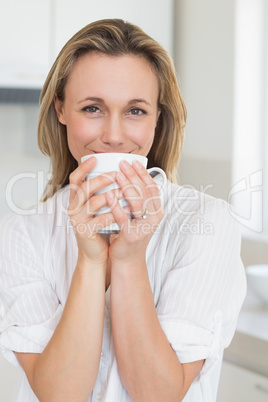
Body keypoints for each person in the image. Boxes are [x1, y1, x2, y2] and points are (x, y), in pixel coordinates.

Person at [0, 19, 246, 402]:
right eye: (93, 107)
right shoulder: (22, 232)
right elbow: (59, 395)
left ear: (158, 118)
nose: (114, 135)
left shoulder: (206, 223)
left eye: (135, 111)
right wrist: (91, 261)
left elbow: (159, 394)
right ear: (61, 109)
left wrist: (130, 261)